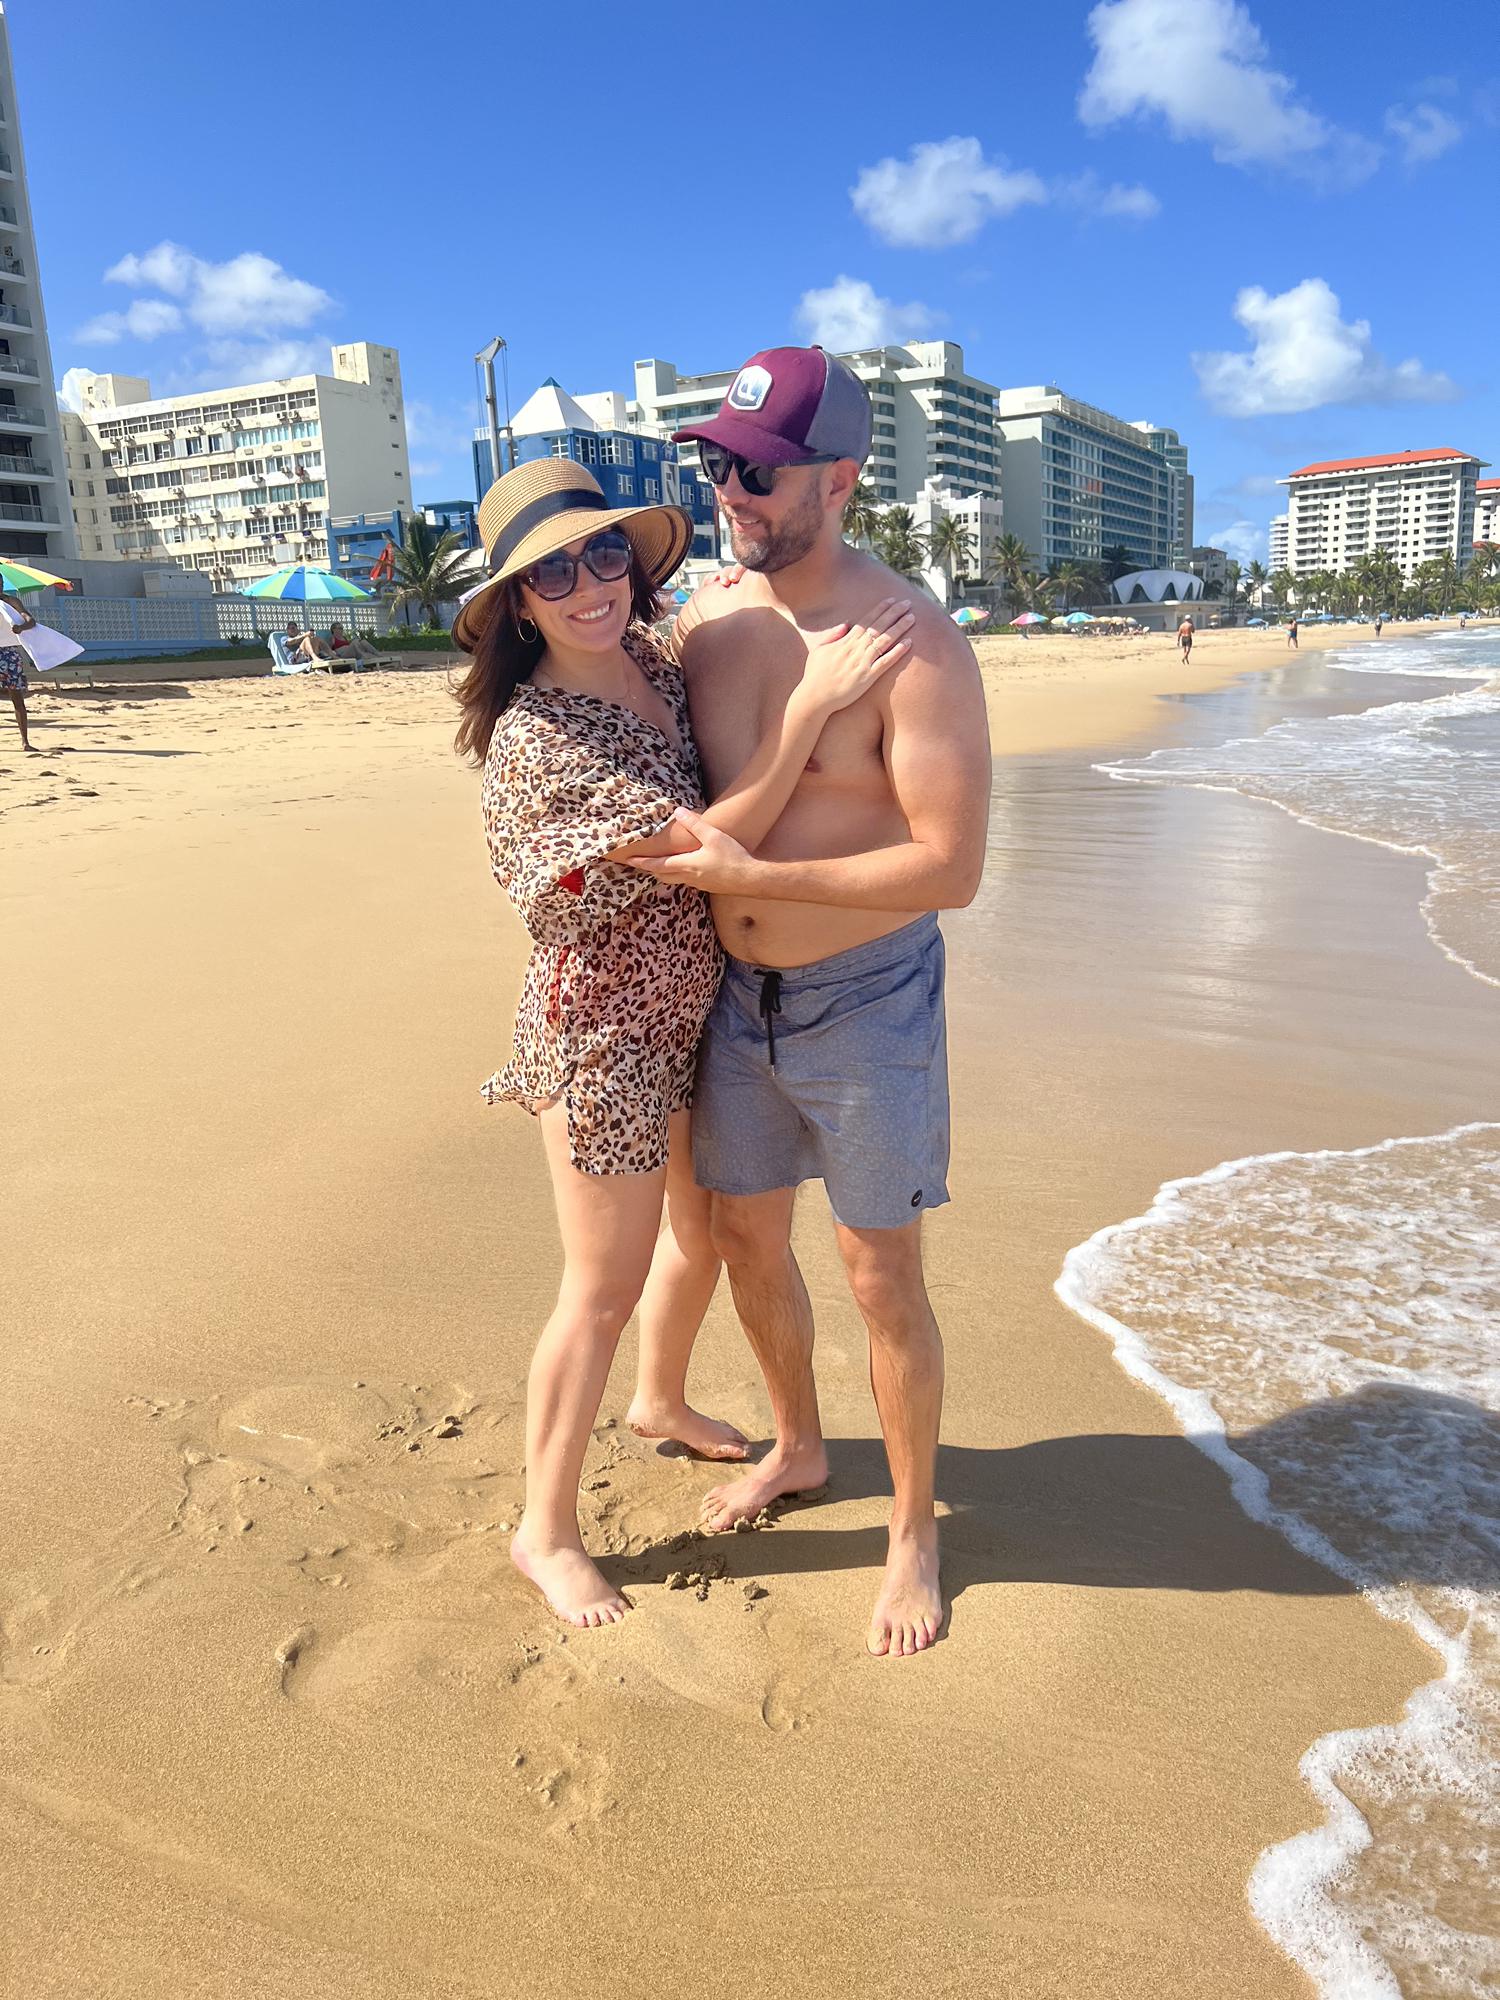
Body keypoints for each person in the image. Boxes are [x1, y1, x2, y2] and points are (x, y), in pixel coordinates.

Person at [451, 458, 914, 1629]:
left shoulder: (656, 665)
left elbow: (732, 621)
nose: (588, 584)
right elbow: (707, 848)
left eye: (603, 552)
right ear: (519, 601)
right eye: (553, 572)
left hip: (690, 1011)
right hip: (603, 1032)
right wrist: (810, 710)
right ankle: (544, 1531)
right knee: (600, 1285)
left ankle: (658, 1399)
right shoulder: (540, 735)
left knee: (702, 1235)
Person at [627, 346, 991, 1657]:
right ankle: (798, 1445)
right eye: (720, 465)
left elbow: (950, 866)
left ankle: (912, 1531)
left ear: (839, 480)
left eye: (761, 473)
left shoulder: (912, 643)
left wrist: (763, 877)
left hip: (868, 996)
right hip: (736, 998)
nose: (732, 492)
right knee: (743, 1236)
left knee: (879, 1272)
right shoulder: (711, 620)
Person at [0, 588, 39, 751]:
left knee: (17, 697)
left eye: (0, 583)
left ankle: (25, 741)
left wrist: (21, 627)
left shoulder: (11, 601)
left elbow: (30, 620)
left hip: (10, 652)